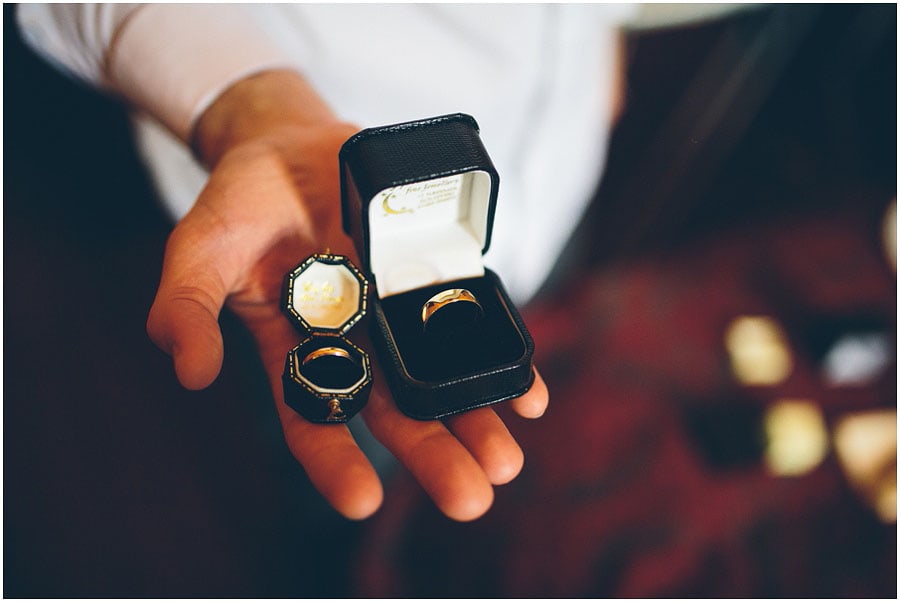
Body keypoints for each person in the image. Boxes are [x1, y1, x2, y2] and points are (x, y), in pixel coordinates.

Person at [17, 3, 639, 522]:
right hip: (301, 210)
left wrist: (603, 33)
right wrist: (249, 106)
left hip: (552, 184)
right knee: (356, 473)